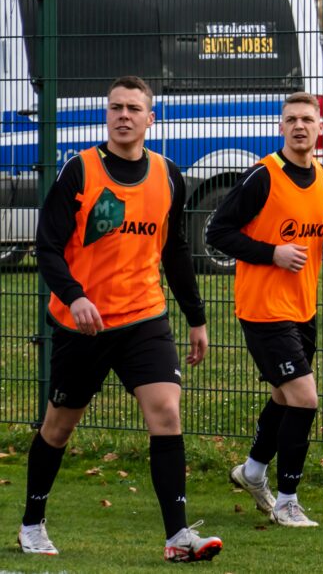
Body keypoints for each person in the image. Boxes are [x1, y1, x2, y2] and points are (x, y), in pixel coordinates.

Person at [20, 76, 221, 562]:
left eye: (133, 108)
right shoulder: (80, 172)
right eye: (116, 107)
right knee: (58, 428)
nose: (123, 115)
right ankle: (32, 523)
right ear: (106, 115)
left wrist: (196, 317)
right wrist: (74, 297)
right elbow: (47, 247)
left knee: (167, 413)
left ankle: (177, 537)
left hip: (144, 319)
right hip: (81, 325)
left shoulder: (169, 175)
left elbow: (174, 252)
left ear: (151, 118)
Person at [206, 92, 323, 528]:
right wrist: (271, 253)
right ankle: (287, 500)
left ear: (319, 129)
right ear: (281, 127)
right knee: (305, 399)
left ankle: (252, 472)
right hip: (264, 309)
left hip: (303, 308)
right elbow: (217, 231)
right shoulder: (262, 176)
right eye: (292, 119)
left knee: (283, 397)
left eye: (308, 119)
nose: (300, 126)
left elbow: (318, 225)